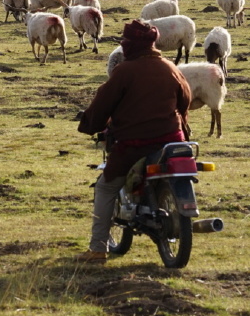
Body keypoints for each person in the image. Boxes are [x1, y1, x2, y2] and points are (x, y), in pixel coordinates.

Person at [75, 19, 191, 262]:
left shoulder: (125, 71)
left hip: (135, 144)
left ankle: (98, 249)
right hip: (171, 142)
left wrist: (89, 123)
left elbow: (103, 103)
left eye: (126, 42)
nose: (124, 46)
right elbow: (185, 100)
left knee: (105, 187)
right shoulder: (171, 67)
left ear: (133, 44)